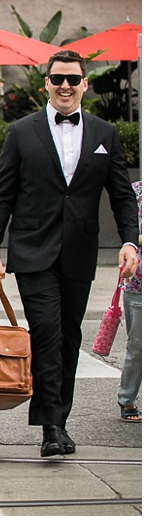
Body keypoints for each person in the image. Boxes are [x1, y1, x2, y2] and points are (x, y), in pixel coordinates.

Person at [0, 49, 138, 458]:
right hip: (33, 251)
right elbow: (1, 198)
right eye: (57, 79)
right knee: (47, 333)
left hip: (79, 253)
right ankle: (50, 425)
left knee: (70, 336)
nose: (65, 86)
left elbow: (121, 195)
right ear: (45, 84)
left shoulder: (105, 134)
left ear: (85, 84)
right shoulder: (22, 131)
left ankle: (60, 419)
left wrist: (129, 241)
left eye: (72, 79)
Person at [117, 180, 142, 423]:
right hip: (139, 283)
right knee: (138, 347)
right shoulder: (135, 192)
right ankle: (127, 399)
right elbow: (129, 233)